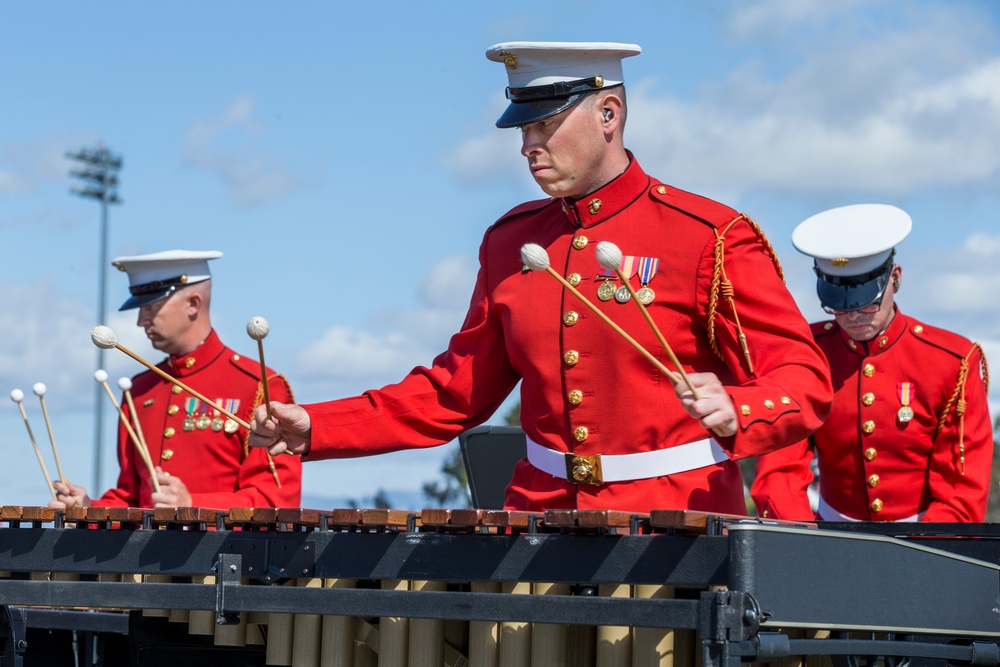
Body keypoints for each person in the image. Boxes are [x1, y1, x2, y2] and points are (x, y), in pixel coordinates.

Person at [248, 41, 832, 514]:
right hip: (537, 520)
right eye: (522, 129)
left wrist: (740, 407)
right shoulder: (509, 242)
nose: (528, 145)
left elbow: (804, 379)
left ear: (609, 114)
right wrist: (316, 426)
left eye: (545, 124)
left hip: (672, 530)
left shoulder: (707, 235)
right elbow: (454, 391)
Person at [751, 204, 993, 522]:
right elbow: (779, 470)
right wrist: (803, 541)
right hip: (825, 541)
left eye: (866, 301)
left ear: (895, 278)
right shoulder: (804, 355)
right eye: (838, 304)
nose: (852, 315)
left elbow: (961, 492)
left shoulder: (952, 361)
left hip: (924, 545)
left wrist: (925, 556)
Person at [51, 250, 302, 510]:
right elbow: (132, 499)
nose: (140, 321)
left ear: (193, 304)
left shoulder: (260, 385)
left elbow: (276, 502)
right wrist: (88, 509)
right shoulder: (139, 390)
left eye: (152, 307)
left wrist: (194, 505)